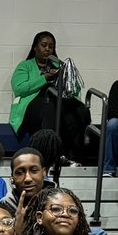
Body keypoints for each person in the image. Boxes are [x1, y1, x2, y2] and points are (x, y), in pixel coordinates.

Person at [10, 31, 90, 164]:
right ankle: (50, 157)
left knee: (80, 110)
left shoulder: (59, 66)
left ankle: (74, 157)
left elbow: (74, 92)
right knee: (50, 108)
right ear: (35, 48)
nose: (47, 49)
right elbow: (19, 88)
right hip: (32, 107)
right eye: (44, 45)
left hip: (59, 105)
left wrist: (66, 76)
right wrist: (44, 78)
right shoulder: (25, 66)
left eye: (51, 46)